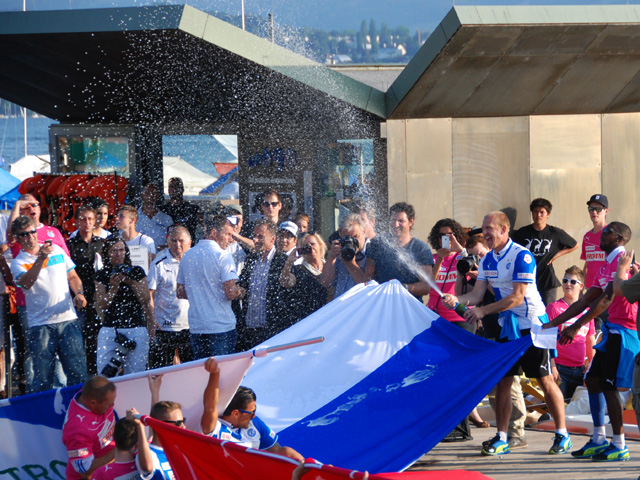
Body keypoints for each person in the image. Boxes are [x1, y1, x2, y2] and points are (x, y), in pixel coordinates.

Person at [443, 211, 571, 456]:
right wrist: (456, 299)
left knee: (544, 380)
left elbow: (517, 297)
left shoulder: (522, 256)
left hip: (534, 326)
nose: (485, 233)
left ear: (504, 230)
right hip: (508, 326)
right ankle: (502, 437)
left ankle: (562, 434)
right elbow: (476, 295)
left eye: (489, 228)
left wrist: (482, 311)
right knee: (503, 382)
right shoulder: (487, 260)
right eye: (484, 228)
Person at [545, 222, 639, 462]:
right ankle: (599, 439)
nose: (602, 234)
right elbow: (585, 300)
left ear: (619, 238)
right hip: (611, 330)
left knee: (609, 386)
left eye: (607, 232)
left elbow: (607, 299)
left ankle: (619, 444)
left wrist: (576, 326)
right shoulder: (606, 264)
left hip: (624, 332)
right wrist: (553, 323)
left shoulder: (624, 263)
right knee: (593, 380)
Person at [10, 216, 88, 393]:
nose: (30, 236)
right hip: (40, 326)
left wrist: (79, 293)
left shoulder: (57, 250)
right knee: (43, 380)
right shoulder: (18, 262)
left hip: (68, 320)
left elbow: (73, 276)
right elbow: (26, 283)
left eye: (32, 232)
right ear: (18, 238)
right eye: (24, 234)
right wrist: (40, 259)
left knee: (78, 375)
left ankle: (78, 408)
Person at [8, 193, 71, 389]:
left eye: (34, 204)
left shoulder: (52, 231)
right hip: (28, 303)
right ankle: (34, 390)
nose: (31, 209)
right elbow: (10, 234)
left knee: (58, 351)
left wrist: (76, 293)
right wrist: (17, 204)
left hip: (57, 305)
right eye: (26, 206)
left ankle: (59, 390)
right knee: (33, 349)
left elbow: (68, 266)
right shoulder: (19, 233)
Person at [200, 357, 304, 461]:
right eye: (251, 412)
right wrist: (215, 373)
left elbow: (277, 451)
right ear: (235, 413)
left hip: (258, 468)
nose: (254, 416)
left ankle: (311, 470)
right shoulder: (216, 428)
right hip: (232, 469)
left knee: (286, 452)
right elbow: (209, 407)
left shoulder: (254, 423)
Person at [177, 215, 245, 358]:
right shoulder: (223, 255)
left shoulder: (187, 255)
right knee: (221, 370)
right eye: (228, 234)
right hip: (221, 327)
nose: (231, 239)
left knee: (201, 370)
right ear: (214, 232)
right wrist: (241, 292)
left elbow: (180, 292)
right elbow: (231, 293)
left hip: (197, 326)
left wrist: (200, 294)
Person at [95, 237, 156, 376]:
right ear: (107, 254)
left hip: (136, 327)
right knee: (105, 375)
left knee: (136, 376)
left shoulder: (136, 271)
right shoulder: (102, 274)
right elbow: (102, 304)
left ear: (126, 252)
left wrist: (132, 283)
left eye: (121, 250)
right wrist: (114, 287)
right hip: (111, 328)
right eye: (114, 251)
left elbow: (145, 299)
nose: (118, 254)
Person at [511, 198, 578, 305]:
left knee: (548, 311)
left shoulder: (554, 232)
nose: (538, 215)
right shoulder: (522, 232)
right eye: (535, 211)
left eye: (542, 212)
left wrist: (556, 255)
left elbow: (574, 245)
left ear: (548, 214)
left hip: (547, 282)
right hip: (526, 280)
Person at [365, 202, 434, 301]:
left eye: (401, 221)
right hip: (383, 303)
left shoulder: (421, 249)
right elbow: (368, 277)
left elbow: (426, 287)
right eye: (393, 220)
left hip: (409, 306)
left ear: (411, 222)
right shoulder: (377, 244)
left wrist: (403, 288)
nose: (396, 224)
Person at [236, 218, 288, 350]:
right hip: (249, 329)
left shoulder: (282, 261)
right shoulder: (251, 259)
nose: (255, 240)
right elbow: (243, 287)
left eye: (260, 236)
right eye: (254, 236)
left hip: (272, 330)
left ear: (272, 239)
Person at [545, 266, 595, 400]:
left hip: (580, 370)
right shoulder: (553, 308)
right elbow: (547, 339)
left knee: (575, 408)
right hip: (559, 369)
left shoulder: (587, 312)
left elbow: (590, 341)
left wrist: (591, 366)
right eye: (565, 280)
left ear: (581, 286)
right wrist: (552, 366)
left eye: (573, 282)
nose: (568, 284)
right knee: (557, 406)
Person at [148, 226, 193, 368]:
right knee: (162, 371)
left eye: (181, 241)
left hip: (191, 325)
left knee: (191, 369)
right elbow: (149, 294)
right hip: (165, 326)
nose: (177, 245)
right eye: (173, 241)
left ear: (190, 242)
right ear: (168, 242)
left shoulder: (195, 261)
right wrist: (152, 319)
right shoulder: (159, 263)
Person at [68, 205, 105, 376]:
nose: (87, 222)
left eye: (90, 219)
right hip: (79, 296)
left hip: (98, 297)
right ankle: (82, 375)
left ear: (95, 220)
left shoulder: (101, 243)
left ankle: (95, 373)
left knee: (97, 338)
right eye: (83, 219)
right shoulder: (71, 244)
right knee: (79, 338)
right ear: (77, 221)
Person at [62, 375, 117, 480]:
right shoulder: (77, 430)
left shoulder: (90, 393)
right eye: (108, 404)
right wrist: (121, 449)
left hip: (109, 466)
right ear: (93, 403)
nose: (113, 405)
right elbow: (86, 473)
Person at [427, 219, 470, 330]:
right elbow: (428, 285)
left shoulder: (463, 256)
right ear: (437, 238)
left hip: (460, 316)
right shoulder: (431, 258)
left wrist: (461, 250)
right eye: (442, 236)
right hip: (435, 315)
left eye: (451, 235)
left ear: (457, 236)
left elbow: (477, 270)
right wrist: (440, 260)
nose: (447, 238)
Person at [280, 233, 328, 326]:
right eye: (306, 246)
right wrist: (289, 262)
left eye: (313, 244)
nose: (310, 247)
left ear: (320, 245)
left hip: (327, 315)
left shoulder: (329, 266)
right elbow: (285, 282)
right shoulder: (299, 270)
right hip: (309, 318)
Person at [320, 213, 370, 299]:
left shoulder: (372, 252)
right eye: (347, 238)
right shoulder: (340, 249)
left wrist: (350, 264)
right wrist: (331, 257)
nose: (351, 242)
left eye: (355, 237)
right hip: (341, 305)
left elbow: (369, 286)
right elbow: (326, 283)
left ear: (364, 231)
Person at [93, 413, 153, 480]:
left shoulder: (102, 473)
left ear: (113, 436)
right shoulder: (147, 464)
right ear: (137, 444)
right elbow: (151, 437)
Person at [581, 194, 609, 290]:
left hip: (606, 287)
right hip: (590, 287)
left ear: (606, 211)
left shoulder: (611, 234)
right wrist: (582, 287)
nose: (594, 212)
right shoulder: (587, 237)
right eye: (591, 209)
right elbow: (587, 264)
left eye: (598, 209)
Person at [116, 205, 156, 269]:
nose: (116, 219)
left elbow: (150, 265)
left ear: (132, 220)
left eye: (121, 216)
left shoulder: (146, 241)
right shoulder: (115, 240)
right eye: (117, 216)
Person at [137, 184, 174, 251]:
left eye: (154, 192)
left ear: (158, 196)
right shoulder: (132, 218)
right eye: (148, 192)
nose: (151, 195)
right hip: (138, 257)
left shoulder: (167, 219)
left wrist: (167, 247)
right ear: (142, 195)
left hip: (160, 256)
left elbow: (173, 241)